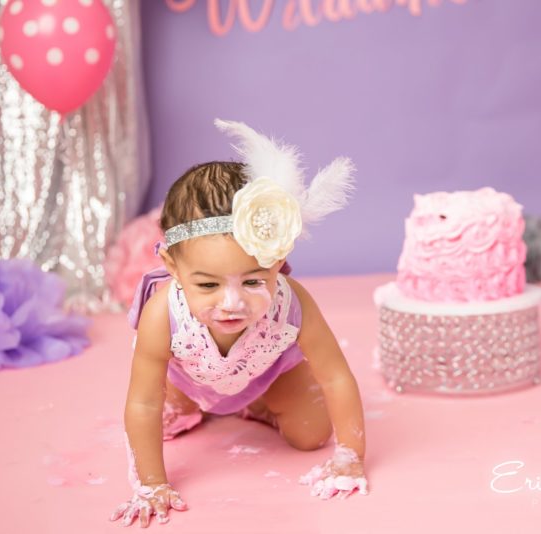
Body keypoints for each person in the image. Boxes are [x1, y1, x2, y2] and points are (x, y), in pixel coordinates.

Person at [110, 120, 368, 528]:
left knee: (311, 435)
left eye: (253, 281)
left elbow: (335, 377)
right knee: (158, 424)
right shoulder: (163, 314)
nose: (232, 303)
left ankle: (258, 403)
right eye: (208, 284)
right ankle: (194, 404)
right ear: (173, 267)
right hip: (188, 380)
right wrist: (152, 483)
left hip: (266, 374)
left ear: (278, 263)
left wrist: (350, 456)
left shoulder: (293, 304)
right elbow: (142, 400)